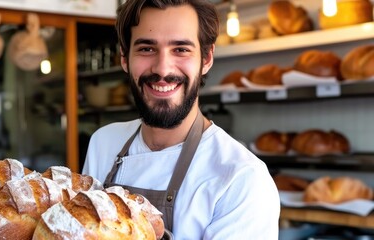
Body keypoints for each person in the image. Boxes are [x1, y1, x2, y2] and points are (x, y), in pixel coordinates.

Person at [82, 0, 280, 239]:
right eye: (146, 48)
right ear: (124, 58)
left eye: (181, 49)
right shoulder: (103, 142)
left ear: (206, 58)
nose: (163, 69)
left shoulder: (242, 178)